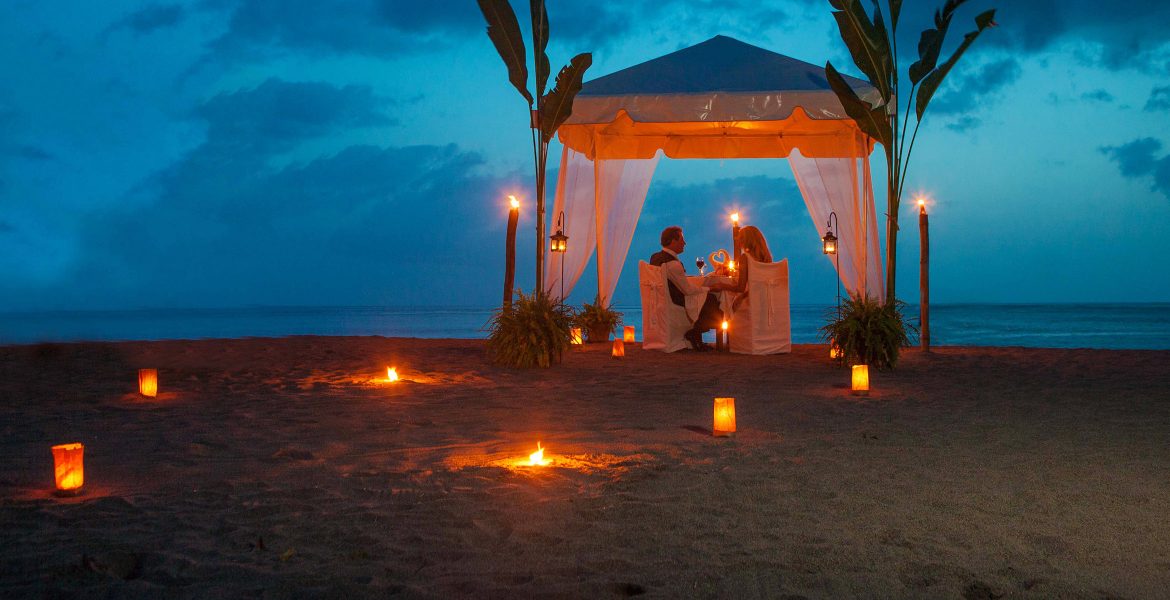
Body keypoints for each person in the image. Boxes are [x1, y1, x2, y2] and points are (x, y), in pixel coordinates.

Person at [649, 226, 724, 351]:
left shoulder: (655, 257)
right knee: (711, 299)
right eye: (681, 240)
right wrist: (709, 288)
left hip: (660, 299)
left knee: (704, 297)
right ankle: (695, 333)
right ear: (673, 241)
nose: (684, 243)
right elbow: (688, 290)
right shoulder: (673, 264)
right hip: (676, 300)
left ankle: (697, 337)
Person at [710, 225, 773, 312]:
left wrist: (721, 286)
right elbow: (761, 285)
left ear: (748, 240)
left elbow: (740, 288)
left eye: (741, 238)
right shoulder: (767, 258)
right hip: (766, 302)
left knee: (721, 305)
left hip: (750, 304)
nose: (738, 240)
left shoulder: (745, 258)